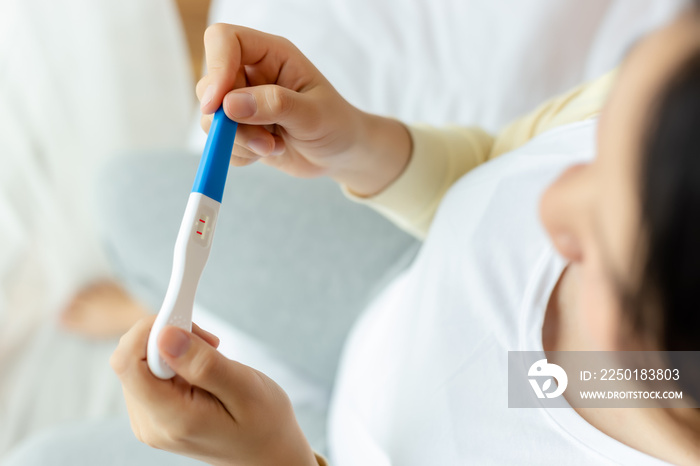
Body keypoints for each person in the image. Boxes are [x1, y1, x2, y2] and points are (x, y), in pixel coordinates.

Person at [110, 5, 700, 466]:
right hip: (401, 279)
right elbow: (498, 169)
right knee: (118, 199)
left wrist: (275, 457)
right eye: (596, 151)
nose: (548, 201)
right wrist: (356, 143)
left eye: (594, 239)